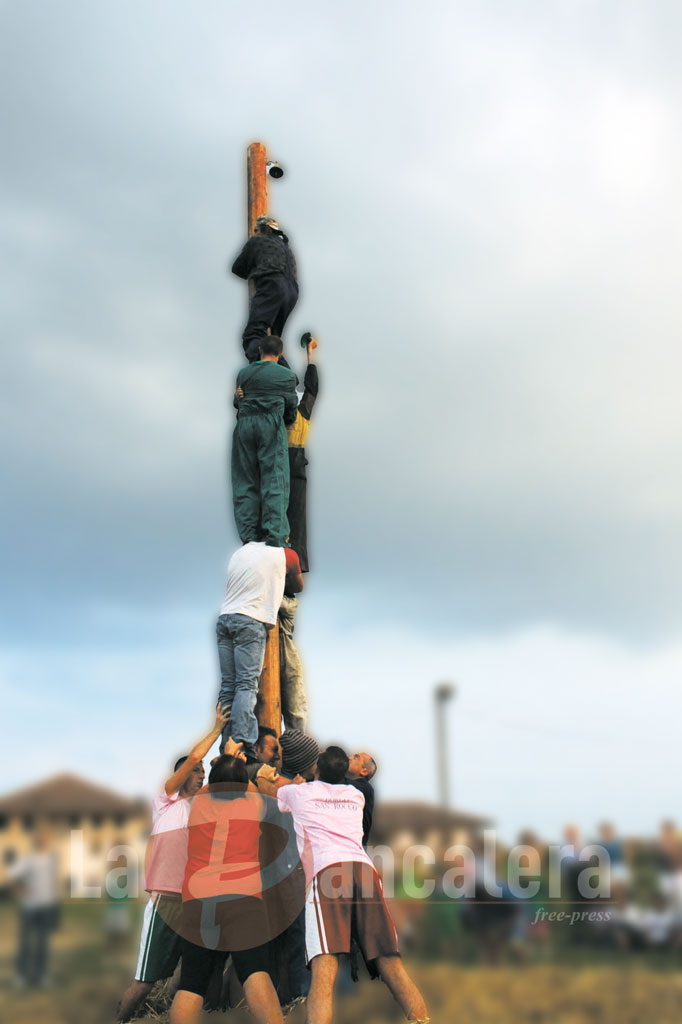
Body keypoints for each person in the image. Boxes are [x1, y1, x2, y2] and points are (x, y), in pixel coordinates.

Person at [277, 746, 429, 1024]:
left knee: (324, 970)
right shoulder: (355, 795)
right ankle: (422, 1019)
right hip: (363, 870)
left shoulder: (299, 793)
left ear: (316, 770)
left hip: (328, 872)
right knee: (390, 963)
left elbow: (271, 783)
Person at [116, 705, 231, 1022]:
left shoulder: (201, 808)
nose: (200, 776)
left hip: (193, 903)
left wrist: (233, 753)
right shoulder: (166, 799)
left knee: (188, 972)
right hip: (166, 902)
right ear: (181, 774)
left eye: (203, 775)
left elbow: (226, 781)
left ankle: (167, 1014)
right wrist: (217, 728)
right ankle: (121, 1019)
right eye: (196, 773)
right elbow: (194, 757)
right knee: (145, 982)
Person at [169, 754, 287, 1024]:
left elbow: (219, 778)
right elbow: (252, 783)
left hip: (198, 900)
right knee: (255, 972)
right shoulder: (253, 803)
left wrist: (226, 760)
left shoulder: (197, 803)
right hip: (243, 898)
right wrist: (240, 763)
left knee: (191, 983)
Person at [216, 542, 303, 756]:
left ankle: (226, 745)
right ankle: (242, 744)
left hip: (225, 618)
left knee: (229, 687)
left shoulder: (240, 552)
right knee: (246, 684)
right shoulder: (286, 554)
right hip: (250, 620)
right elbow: (298, 586)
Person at [232, 335, 298, 548]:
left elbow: (238, 402)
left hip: (244, 427)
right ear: (280, 354)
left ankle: (248, 537)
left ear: (260, 349)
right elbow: (291, 411)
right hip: (270, 425)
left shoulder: (243, 374)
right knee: (274, 480)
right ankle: (276, 537)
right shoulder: (287, 376)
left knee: (245, 481)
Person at [231, 216, 299, 364]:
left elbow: (237, 268)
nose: (254, 233)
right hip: (292, 292)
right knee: (273, 342)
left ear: (264, 229)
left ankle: (263, 369)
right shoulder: (286, 247)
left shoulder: (256, 241)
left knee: (253, 334)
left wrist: (254, 270)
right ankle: (286, 377)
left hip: (272, 285)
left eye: (256, 230)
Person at [7, 828, 59, 988]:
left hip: (46, 906)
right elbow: (11, 875)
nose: (42, 840)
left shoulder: (52, 859)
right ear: (35, 841)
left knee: (43, 943)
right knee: (26, 943)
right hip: (29, 907)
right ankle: (21, 976)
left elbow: (53, 880)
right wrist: (20, 890)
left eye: (45, 838)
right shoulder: (28, 859)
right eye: (40, 838)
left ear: (48, 840)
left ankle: (41, 975)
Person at [286, 334, 319, 573]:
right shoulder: (285, 406)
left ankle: (295, 562)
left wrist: (310, 354)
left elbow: (312, 385)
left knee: (295, 514)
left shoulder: (302, 407)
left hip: (294, 458)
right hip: (288, 458)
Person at [346, 752, 377, 847]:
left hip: (356, 848)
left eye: (356, 757)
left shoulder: (365, 788)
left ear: (364, 771)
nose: (350, 758)